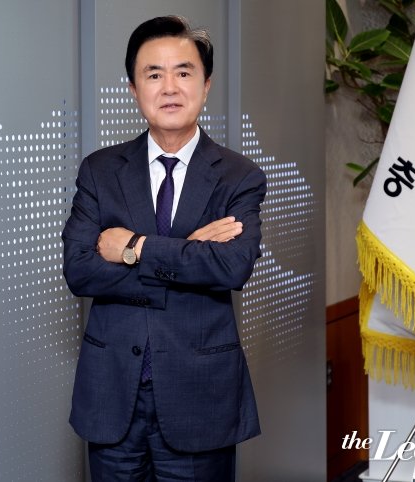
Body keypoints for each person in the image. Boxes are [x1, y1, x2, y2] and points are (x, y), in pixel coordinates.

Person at [62, 15, 266, 481]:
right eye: (154, 74)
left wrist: (134, 246)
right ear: (134, 89)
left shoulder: (239, 177)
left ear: (206, 85)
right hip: (113, 394)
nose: (170, 87)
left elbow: (232, 267)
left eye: (184, 72)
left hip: (200, 398)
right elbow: (80, 270)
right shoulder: (99, 170)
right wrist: (187, 253)